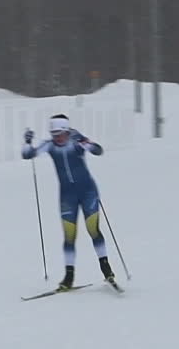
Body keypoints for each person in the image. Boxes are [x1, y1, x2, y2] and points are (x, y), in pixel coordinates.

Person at [21, 113, 118, 290]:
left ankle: (106, 270)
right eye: (53, 134)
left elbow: (98, 150)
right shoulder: (50, 146)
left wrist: (85, 142)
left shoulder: (76, 141)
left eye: (60, 134)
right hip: (67, 196)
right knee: (69, 236)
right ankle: (69, 277)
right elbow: (28, 155)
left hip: (88, 191)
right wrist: (27, 142)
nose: (56, 138)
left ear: (66, 131)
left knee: (92, 229)